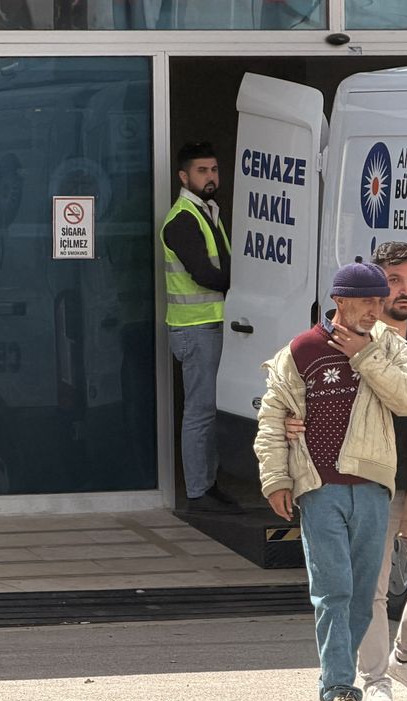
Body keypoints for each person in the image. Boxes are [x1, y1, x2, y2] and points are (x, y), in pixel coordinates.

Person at [287, 241, 407, 701]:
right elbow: (301, 397)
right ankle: (372, 682)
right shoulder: (335, 339)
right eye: (393, 282)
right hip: (367, 480)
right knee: (368, 586)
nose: (403, 291)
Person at [256, 260, 407, 701]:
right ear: (340, 301)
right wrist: (276, 479)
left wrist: (364, 355)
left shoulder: (390, 345)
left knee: (358, 595)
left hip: (372, 487)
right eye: (367, 300)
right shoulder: (301, 351)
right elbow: (273, 417)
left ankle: (343, 683)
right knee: (331, 590)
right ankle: (336, 691)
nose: (376, 308)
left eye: (380, 300)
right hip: (319, 488)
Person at [162, 141, 233, 511]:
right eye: (202, 171)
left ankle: (209, 484)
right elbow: (206, 274)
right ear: (183, 176)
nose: (210, 177)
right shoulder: (184, 218)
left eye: (214, 170)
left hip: (211, 326)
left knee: (209, 409)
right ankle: (197, 491)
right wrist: (244, 284)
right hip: (196, 329)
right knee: (200, 410)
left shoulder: (209, 213)